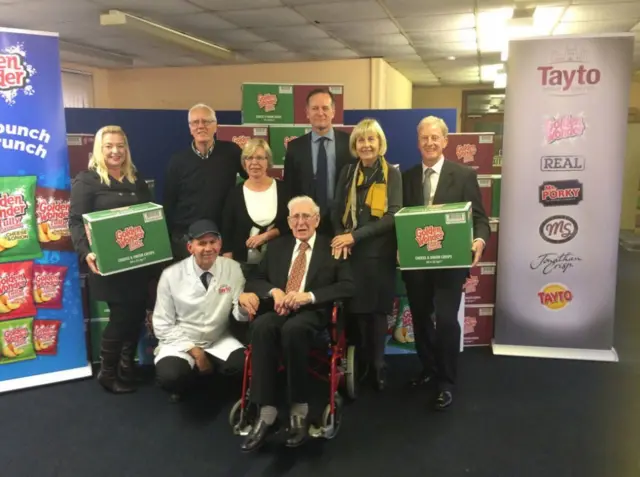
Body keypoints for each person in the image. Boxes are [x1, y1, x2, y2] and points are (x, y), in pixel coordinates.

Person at [240, 196, 354, 452]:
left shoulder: (332, 247)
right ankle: (266, 412)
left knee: (294, 330)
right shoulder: (278, 247)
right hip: (279, 308)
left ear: (317, 220)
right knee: (261, 327)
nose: (301, 222)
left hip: (312, 313)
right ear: (289, 221)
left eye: (306, 217)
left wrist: (308, 296)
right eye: (295, 217)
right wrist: (275, 292)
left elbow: (348, 286)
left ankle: (299, 410)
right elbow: (254, 280)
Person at [401, 116, 490, 410]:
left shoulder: (463, 175)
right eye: (424, 138)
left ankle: (446, 381)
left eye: (435, 137)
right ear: (418, 143)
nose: (429, 143)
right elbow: (399, 220)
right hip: (417, 267)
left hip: (450, 265)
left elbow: (479, 218)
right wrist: (399, 248)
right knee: (421, 318)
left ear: (445, 141)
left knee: (448, 322)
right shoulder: (408, 177)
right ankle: (428, 368)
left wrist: (478, 241)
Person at [70, 125, 154, 394]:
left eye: (120, 146)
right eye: (109, 146)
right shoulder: (87, 180)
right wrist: (86, 252)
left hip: (138, 261)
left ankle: (127, 367)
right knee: (120, 317)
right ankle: (107, 373)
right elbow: (75, 222)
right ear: (99, 149)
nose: (115, 151)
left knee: (136, 315)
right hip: (108, 265)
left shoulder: (136, 179)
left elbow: (149, 216)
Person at [152, 219, 259, 402]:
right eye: (202, 243)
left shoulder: (232, 268)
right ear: (190, 247)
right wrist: (195, 351)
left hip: (218, 338)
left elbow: (238, 315)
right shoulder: (171, 275)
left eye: (213, 242)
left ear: (220, 244)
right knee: (171, 376)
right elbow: (162, 324)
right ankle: (189, 379)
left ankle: (211, 376)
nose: (208, 248)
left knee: (243, 367)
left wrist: (243, 305)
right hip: (182, 342)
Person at [331, 118, 402, 392]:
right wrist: (340, 237)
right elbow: (335, 210)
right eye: (361, 140)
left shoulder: (391, 173)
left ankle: (378, 365)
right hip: (351, 254)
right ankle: (359, 364)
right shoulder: (348, 172)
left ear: (380, 143)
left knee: (377, 313)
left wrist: (354, 236)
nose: (366, 144)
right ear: (355, 145)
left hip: (379, 254)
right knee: (356, 313)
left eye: (371, 139)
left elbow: (393, 215)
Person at [163, 103, 246, 261]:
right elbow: (169, 203)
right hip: (187, 241)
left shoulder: (232, 152)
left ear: (216, 126)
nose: (201, 126)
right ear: (190, 128)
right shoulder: (177, 161)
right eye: (195, 122)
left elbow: (252, 180)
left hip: (221, 239)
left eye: (206, 121)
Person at [283, 88, 353, 235]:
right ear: (307, 112)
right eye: (315, 108)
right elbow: (289, 189)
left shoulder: (350, 143)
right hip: (307, 225)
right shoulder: (295, 147)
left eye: (325, 108)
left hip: (344, 224)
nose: (320, 113)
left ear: (333, 111)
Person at [221, 138, 289, 278]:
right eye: (249, 158)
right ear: (244, 163)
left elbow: (291, 224)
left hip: (279, 263)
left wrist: (267, 235)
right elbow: (227, 231)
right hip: (243, 266)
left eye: (259, 158)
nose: (254, 163)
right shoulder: (234, 193)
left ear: (268, 161)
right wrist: (228, 268)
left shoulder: (284, 190)